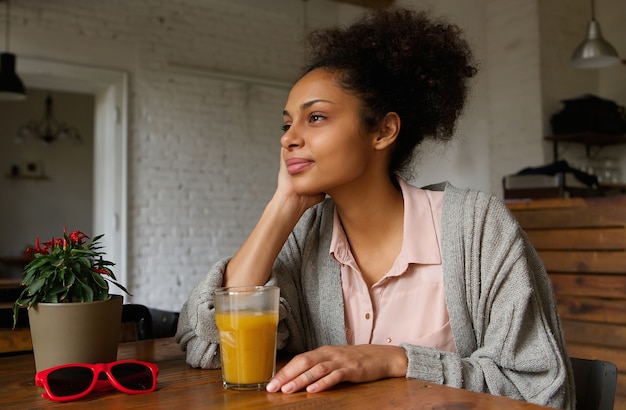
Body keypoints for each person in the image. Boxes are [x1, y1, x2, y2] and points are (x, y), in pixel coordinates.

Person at [176, 6, 575, 409]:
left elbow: (537, 388)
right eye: (286, 124)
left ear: (383, 131)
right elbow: (212, 349)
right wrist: (283, 204)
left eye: (315, 117)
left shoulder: (477, 228)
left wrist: (396, 361)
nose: (289, 139)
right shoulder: (307, 235)